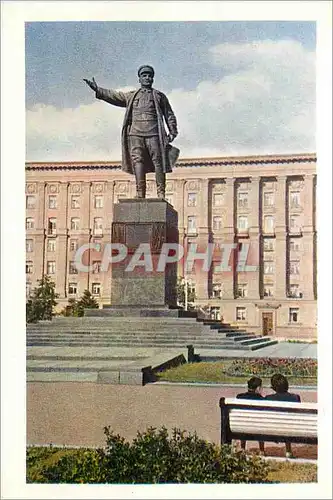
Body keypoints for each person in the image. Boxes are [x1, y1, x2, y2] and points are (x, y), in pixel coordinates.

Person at [84, 65, 179, 199]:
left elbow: (169, 114)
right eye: (144, 75)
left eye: (149, 76)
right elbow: (115, 96)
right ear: (139, 79)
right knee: (138, 162)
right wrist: (98, 89)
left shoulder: (159, 96)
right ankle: (140, 193)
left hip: (154, 134)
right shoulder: (132, 96)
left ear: (153, 79)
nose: (147, 78)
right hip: (135, 134)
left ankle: (161, 193)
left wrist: (173, 131)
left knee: (158, 162)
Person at [265, 373, 301, 458]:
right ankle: (288, 451)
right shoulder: (295, 397)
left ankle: (261, 450)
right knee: (288, 423)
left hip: (271, 428)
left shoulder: (268, 398)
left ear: (273, 387)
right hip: (290, 428)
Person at [236, 376, 265, 455]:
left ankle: (242, 448)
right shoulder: (263, 400)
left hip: (241, 427)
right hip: (258, 428)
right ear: (258, 388)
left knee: (244, 420)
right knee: (260, 423)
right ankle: (262, 450)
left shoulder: (239, 397)